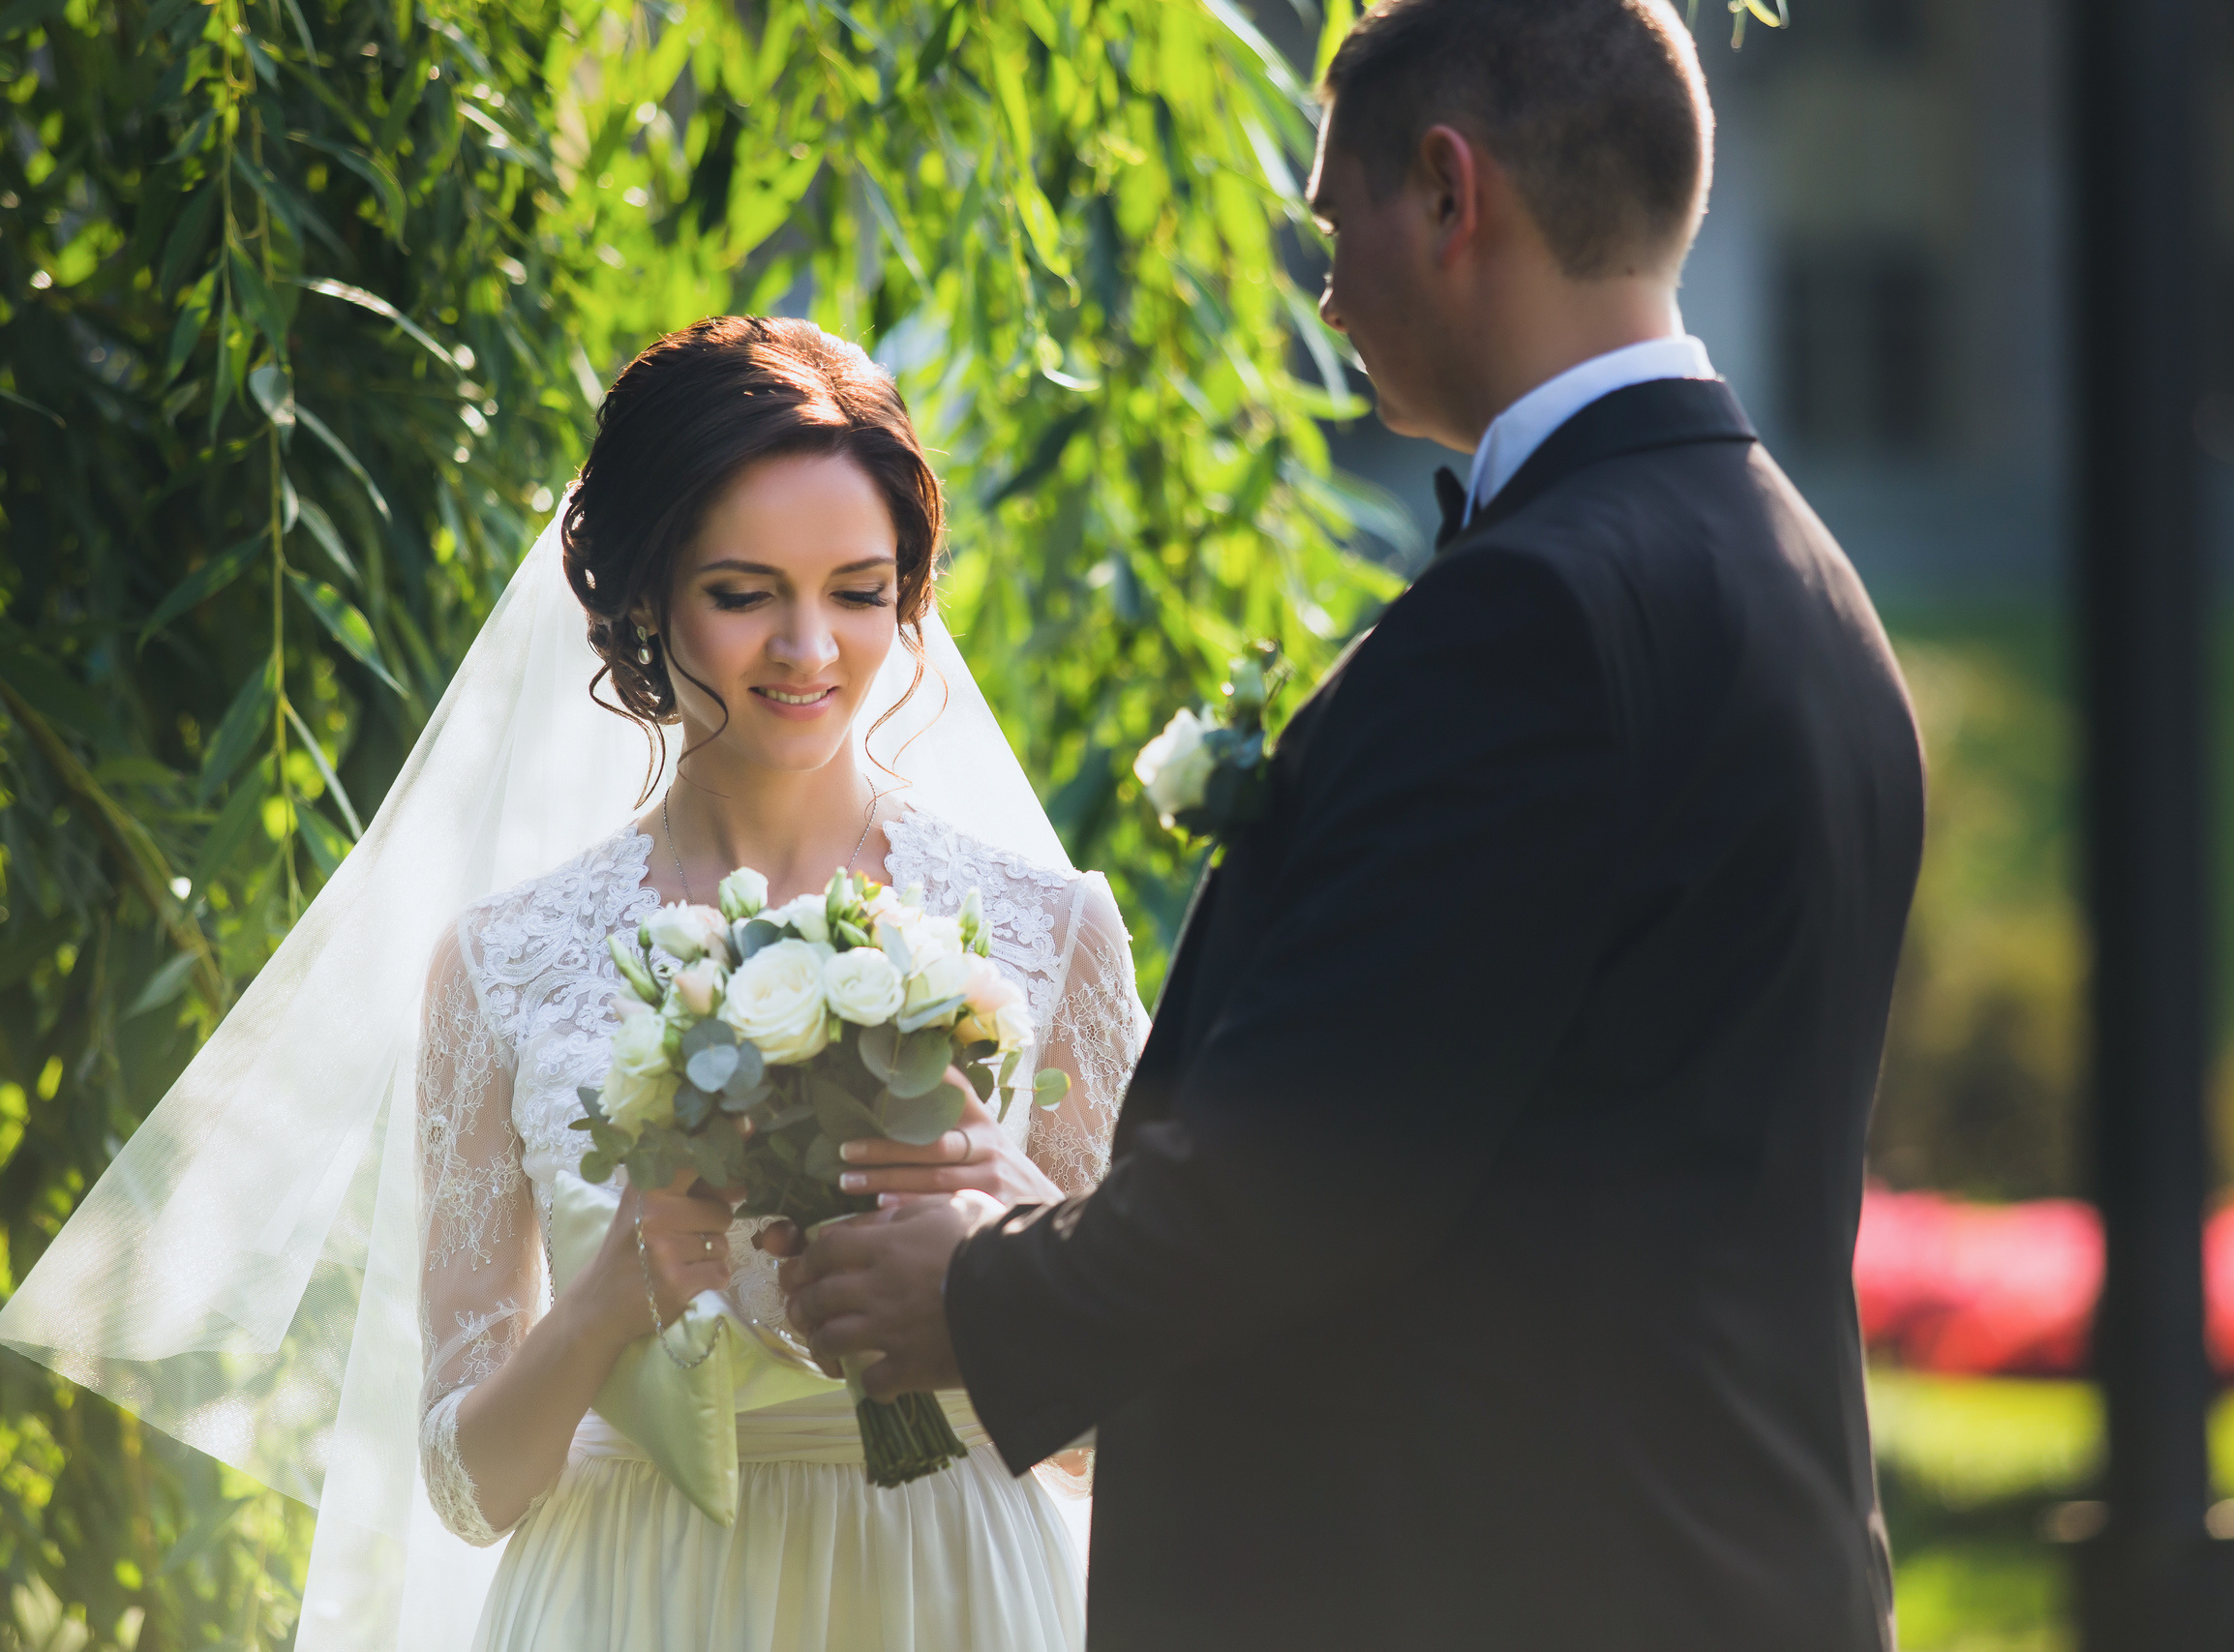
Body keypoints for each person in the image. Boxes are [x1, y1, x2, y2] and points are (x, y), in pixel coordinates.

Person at [779, 3, 1926, 1648]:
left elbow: (1321, 1154)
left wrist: (971, 1286)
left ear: (1450, 194)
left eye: (1332, 219)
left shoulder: (1533, 617)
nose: (1320, 286)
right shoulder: (1805, 585)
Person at [0, 318, 1148, 1652]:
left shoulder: (1047, 930)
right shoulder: (503, 961)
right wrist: (612, 1296)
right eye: (744, 591)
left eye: (858, 590)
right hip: (635, 1597)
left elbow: (1116, 1444)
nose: (809, 647)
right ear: (645, 597)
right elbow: (466, 1485)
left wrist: (1004, 1248)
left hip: (946, 1587)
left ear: (910, 596)